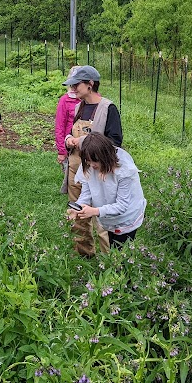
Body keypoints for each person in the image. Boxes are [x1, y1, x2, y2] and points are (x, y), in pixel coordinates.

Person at [62, 65, 123, 257]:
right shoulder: (79, 107)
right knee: (77, 211)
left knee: (100, 214)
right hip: (76, 165)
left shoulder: (108, 108)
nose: (72, 89)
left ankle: (109, 259)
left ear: (90, 84)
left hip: (98, 170)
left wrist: (81, 141)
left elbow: (115, 142)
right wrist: (68, 141)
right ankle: (84, 252)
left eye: (76, 84)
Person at [67, 133, 146, 247]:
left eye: (95, 161)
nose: (92, 165)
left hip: (126, 218)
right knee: (113, 247)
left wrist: (94, 211)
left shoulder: (124, 171)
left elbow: (122, 206)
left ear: (105, 157)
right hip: (109, 215)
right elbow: (87, 191)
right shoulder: (89, 164)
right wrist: (79, 206)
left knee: (122, 252)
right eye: (88, 161)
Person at [55, 66, 82, 173]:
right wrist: (62, 151)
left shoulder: (94, 99)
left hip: (88, 146)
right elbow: (60, 126)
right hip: (71, 146)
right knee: (72, 179)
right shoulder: (65, 100)